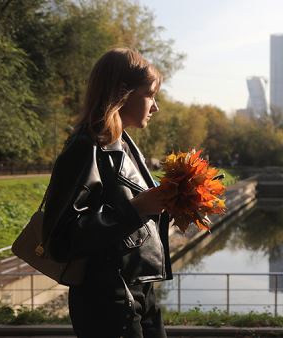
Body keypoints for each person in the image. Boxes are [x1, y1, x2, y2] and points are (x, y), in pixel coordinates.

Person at [42, 48, 177, 338]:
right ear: (122, 93)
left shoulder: (123, 145)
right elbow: (60, 239)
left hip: (139, 291)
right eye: (150, 95)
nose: (155, 107)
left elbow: (133, 215)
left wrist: (176, 204)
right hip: (108, 302)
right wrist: (137, 208)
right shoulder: (84, 147)